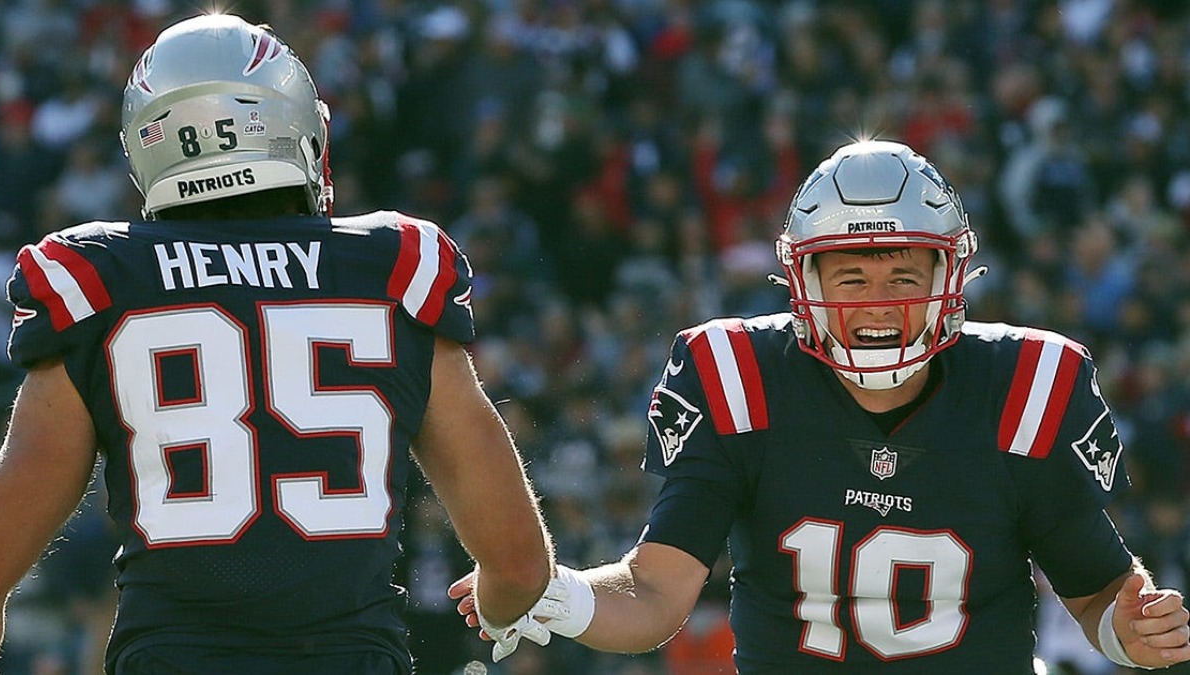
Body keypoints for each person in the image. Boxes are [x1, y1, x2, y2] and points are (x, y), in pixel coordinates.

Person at [450, 140, 1190, 673]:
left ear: (949, 274)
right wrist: (556, 593)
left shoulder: (1026, 386)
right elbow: (655, 590)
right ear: (802, 282)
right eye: (852, 277)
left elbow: (1096, 590)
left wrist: (1129, 632)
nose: (878, 303)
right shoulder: (738, 376)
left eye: (903, 274)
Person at [0, 14, 553, 675]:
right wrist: (492, 602)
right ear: (296, 128)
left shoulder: (98, 280)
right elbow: (517, 563)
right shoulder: (392, 268)